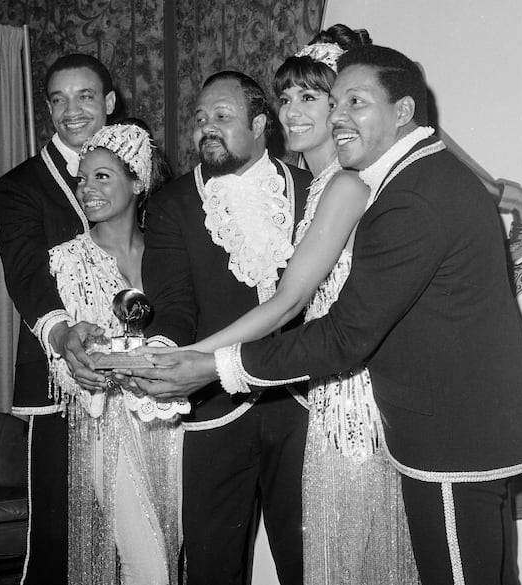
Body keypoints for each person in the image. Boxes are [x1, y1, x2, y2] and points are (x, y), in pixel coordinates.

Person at [125, 45, 522, 585]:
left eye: (354, 101)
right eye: (333, 103)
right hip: (451, 429)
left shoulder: (410, 195)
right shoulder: (413, 179)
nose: (335, 116)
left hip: (450, 437)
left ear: (402, 111)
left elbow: (343, 333)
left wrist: (214, 365)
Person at [149, 25, 418, 585]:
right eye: (288, 96)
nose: (294, 110)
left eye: (314, 98)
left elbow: (289, 299)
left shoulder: (337, 185)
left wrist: (197, 360)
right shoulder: (326, 184)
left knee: (329, 559)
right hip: (256, 401)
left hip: (326, 397)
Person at [136, 71, 312, 585]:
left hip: (299, 404)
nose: (206, 128)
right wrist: (166, 355)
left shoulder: (310, 191)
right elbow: (172, 305)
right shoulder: (171, 204)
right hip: (213, 409)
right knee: (211, 568)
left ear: (261, 125)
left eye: (222, 117)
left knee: (307, 561)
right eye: (199, 119)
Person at [0, 53, 116, 585]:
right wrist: (62, 333)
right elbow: (26, 276)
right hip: (56, 379)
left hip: (140, 375)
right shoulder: (19, 186)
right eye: (59, 99)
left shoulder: (146, 175)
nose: (72, 110)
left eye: (85, 96)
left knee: (137, 524)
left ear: (109, 103)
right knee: (57, 527)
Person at [47, 121, 184, 585]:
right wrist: (85, 365)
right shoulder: (66, 259)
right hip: (111, 429)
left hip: (179, 424)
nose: (86, 189)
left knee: (175, 548)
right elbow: (63, 367)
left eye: (102, 176)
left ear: (137, 182)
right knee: (145, 561)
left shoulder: (170, 252)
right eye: (82, 178)